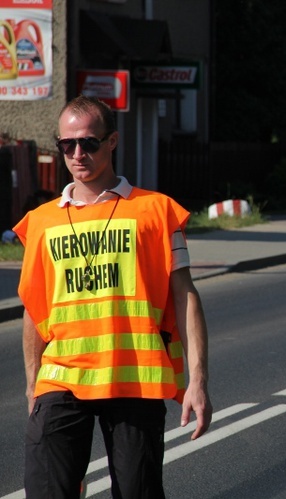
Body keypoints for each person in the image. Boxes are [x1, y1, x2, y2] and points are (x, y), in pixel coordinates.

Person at [14, 95, 212, 497]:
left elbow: (184, 295)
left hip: (134, 377)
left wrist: (198, 381)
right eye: (67, 145)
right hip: (62, 377)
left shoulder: (156, 212)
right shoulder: (41, 221)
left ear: (113, 141)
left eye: (88, 142)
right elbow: (35, 307)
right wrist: (33, 383)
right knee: (46, 489)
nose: (77, 153)